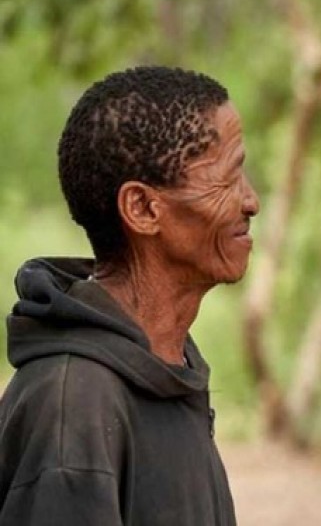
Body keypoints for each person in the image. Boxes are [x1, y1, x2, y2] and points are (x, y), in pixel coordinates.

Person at [0, 66, 260, 525]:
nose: (251, 200)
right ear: (142, 208)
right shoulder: (72, 406)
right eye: (228, 178)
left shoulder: (167, 365)